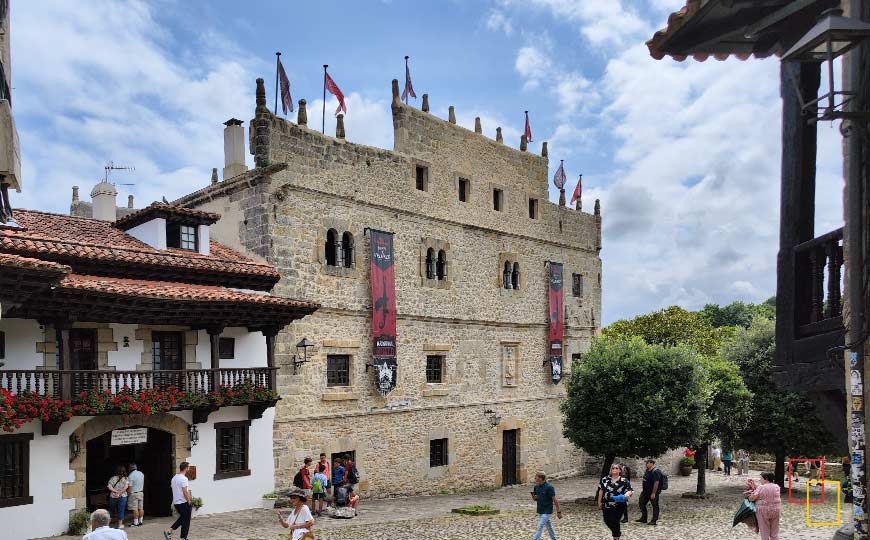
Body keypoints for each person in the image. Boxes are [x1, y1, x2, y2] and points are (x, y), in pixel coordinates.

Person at [598, 463, 632, 540]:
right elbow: (601, 490)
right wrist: (599, 502)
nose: (614, 469)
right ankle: (617, 532)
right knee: (607, 520)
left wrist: (627, 494)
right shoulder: (605, 479)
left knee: (615, 520)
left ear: (620, 470)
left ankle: (616, 536)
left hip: (619, 505)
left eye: (616, 468)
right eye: (613, 468)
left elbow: (630, 490)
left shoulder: (624, 480)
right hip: (606, 504)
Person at [747, 472, 782, 540]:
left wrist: (750, 495)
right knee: (774, 532)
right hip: (776, 510)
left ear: (766, 479)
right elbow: (766, 490)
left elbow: (752, 498)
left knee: (764, 531)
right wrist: (755, 487)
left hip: (763, 511)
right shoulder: (777, 486)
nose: (760, 480)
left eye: (761, 478)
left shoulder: (761, 487)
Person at [164, 462, 192, 540]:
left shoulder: (174, 478)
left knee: (183, 518)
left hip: (177, 502)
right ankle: (183, 538)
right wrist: (189, 501)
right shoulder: (184, 478)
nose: (189, 468)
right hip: (183, 502)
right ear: (186, 468)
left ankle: (169, 531)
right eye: (188, 467)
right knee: (186, 521)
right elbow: (185, 491)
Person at [531, 471, 562, 540]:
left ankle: (536, 538)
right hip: (540, 509)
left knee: (540, 525)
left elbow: (555, 500)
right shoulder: (536, 487)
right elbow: (536, 499)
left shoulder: (549, 487)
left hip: (547, 509)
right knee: (548, 525)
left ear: (541, 478)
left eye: (536, 476)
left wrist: (558, 511)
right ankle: (553, 538)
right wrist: (533, 496)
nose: (535, 478)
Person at [636, 458, 662, 525]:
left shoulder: (656, 471)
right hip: (645, 492)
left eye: (647, 463)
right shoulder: (647, 470)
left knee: (655, 506)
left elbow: (656, 482)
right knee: (641, 503)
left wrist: (653, 493)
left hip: (652, 492)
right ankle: (644, 518)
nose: (646, 464)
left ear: (651, 463)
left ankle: (654, 520)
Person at [127, 463, 145, 527]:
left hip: (134, 494)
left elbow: (130, 487)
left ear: (130, 469)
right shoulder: (141, 473)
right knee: (141, 508)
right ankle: (141, 521)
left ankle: (135, 523)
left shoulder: (130, 476)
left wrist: (128, 494)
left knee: (135, 509)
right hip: (141, 492)